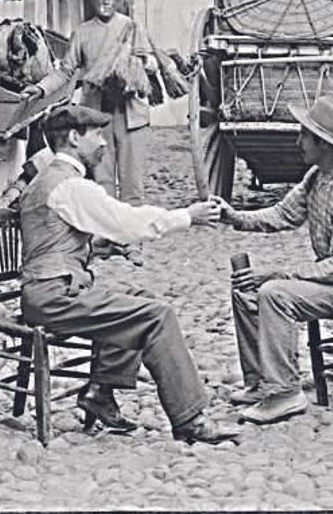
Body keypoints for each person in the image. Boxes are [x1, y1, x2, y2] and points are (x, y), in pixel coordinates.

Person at [18, 104, 240, 445]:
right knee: (157, 316)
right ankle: (190, 420)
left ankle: (100, 392)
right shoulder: (71, 186)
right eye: (96, 135)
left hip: (50, 290)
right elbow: (128, 222)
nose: (104, 143)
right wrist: (188, 216)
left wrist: (102, 247)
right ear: (75, 138)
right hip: (53, 298)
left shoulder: (48, 180)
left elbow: (54, 238)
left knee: (139, 299)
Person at [214, 96, 333, 426]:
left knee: (273, 294)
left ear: (324, 145)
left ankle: (284, 393)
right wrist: (234, 216)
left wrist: (276, 274)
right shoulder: (318, 175)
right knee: (245, 291)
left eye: (304, 136)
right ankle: (261, 382)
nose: (298, 141)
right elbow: (283, 214)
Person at [21, 0, 156, 204]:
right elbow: (65, 71)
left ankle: (131, 236)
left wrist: (138, 66)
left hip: (130, 114)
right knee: (101, 178)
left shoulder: (132, 29)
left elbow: (150, 64)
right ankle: (106, 233)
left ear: (119, 0)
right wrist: (41, 89)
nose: (105, 2)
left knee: (132, 181)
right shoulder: (82, 33)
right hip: (96, 114)